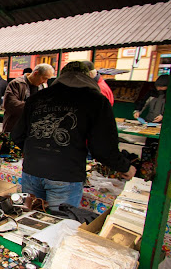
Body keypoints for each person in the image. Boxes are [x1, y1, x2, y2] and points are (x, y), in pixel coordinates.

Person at [11, 60, 136, 208]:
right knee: (60, 226)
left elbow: (17, 135)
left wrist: (35, 152)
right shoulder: (96, 101)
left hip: (32, 171)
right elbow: (103, 147)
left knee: (30, 221)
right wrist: (124, 166)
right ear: (88, 77)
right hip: (66, 174)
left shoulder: (38, 98)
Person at [2, 64, 54, 133]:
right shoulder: (17, 83)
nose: (45, 81)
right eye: (44, 78)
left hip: (33, 129)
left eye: (47, 79)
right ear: (36, 73)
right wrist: (35, 107)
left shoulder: (42, 86)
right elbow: (10, 104)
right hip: (15, 127)